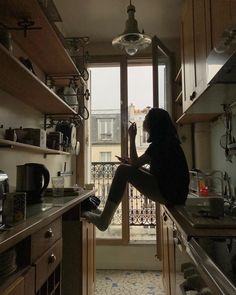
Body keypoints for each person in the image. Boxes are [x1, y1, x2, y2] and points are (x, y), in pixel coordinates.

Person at [83, 107, 190, 231]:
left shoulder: (160, 144)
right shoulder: (167, 142)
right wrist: (132, 163)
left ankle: (103, 220)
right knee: (126, 168)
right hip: (174, 194)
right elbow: (147, 169)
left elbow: (136, 164)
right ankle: (105, 216)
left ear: (153, 124)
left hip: (170, 195)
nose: (144, 121)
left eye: (146, 118)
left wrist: (132, 138)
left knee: (123, 170)